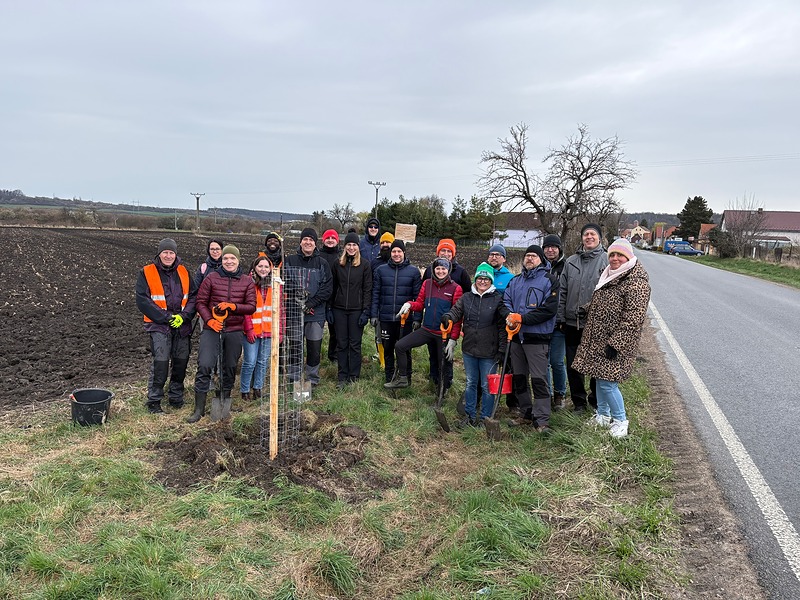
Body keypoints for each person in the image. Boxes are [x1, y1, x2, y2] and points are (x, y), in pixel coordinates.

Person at [571, 238, 650, 438]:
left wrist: (616, 344)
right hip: (598, 339)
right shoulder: (609, 276)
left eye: (620, 255)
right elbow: (604, 304)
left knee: (608, 383)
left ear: (629, 257)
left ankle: (620, 420)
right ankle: (603, 416)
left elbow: (634, 317)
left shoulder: (636, 282)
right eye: (612, 255)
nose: (615, 258)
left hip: (615, 343)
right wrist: (586, 309)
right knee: (599, 378)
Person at [188, 245, 255, 423]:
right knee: (205, 365)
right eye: (226, 258)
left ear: (238, 260)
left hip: (234, 330)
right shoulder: (211, 278)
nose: (229, 261)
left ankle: (224, 399)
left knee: (230, 367)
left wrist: (233, 307)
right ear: (222, 260)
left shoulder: (246, 281)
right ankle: (199, 409)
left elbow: (251, 306)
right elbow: (200, 302)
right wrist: (209, 320)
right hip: (212, 329)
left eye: (232, 258)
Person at [441, 262, 509, 427]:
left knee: (486, 386)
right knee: (471, 383)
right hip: (469, 349)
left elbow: (502, 327)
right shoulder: (467, 297)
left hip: (489, 351)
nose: (483, 281)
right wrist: (448, 317)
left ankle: (485, 418)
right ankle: (470, 416)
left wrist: (501, 349)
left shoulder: (498, 299)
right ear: (476, 279)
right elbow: (456, 311)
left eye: (486, 279)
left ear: (491, 281)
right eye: (480, 278)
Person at [135, 238, 197, 414]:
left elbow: (193, 296)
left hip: (182, 326)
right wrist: (167, 317)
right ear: (159, 253)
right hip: (159, 326)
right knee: (160, 363)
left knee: (181, 361)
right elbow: (143, 300)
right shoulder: (147, 272)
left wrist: (184, 317)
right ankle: (154, 400)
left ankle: (176, 397)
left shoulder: (184, 271)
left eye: (171, 252)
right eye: (165, 252)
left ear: (175, 254)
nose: (168, 256)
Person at [503, 245, 559, 433]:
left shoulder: (549, 281)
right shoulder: (515, 281)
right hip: (517, 337)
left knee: (538, 380)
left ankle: (541, 419)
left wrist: (523, 319)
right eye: (527, 256)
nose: (529, 259)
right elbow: (506, 301)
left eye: (534, 256)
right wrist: (510, 316)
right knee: (519, 378)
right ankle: (525, 413)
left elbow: (549, 310)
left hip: (537, 337)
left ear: (541, 260)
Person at [385, 258, 462, 389]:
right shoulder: (427, 284)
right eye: (438, 268)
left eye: (443, 269)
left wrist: (453, 338)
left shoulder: (456, 288)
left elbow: (458, 316)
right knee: (400, 346)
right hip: (426, 330)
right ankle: (403, 378)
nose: (440, 271)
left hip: (442, 334)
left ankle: (443, 389)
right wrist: (409, 304)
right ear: (433, 270)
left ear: (448, 270)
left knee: (443, 363)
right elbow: (420, 304)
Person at [557, 223, 609, 413]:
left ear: (599, 238)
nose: (589, 237)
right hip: (571, 323)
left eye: (592, 234)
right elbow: (563, 291)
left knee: (595, 364)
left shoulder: (606, 261)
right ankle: (579, 402)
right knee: (573, 365)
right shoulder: (571, 262)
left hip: (596, 324)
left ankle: (595, 401)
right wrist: (561, 317)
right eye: (586, 234)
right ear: (581, 238)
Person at [284, 228, 333, 387]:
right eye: (305, 239)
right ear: (300, 242)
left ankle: (312, 378)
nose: (308, 242)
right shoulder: (289, 260)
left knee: (314, 347)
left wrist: (311, 303)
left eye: (311, 240)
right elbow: (284, 281)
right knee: (295, 346)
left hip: (315, 313)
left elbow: (327, 288)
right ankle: (294, 377)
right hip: (294, 312)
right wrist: (297, 295)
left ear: (315, 243)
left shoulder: (322, 263)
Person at [371, 239, 421, 383]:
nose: (396, 254)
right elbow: (376, 294)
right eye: (394, 251)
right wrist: (374, 314)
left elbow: (417, 297)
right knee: (388, 349)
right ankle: (389, 376)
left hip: (405, 319)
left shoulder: (413, 272)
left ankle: (406, 376)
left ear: (404, 253)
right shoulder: (381, 271)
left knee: (405, 349)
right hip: (386, 318)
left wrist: (417, 318)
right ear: (390, 253)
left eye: (399, 251)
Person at [331, 232, 372, 388]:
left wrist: (365, 311)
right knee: (341, 344)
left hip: (356, 310)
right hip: (339, 309)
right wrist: (330, 307)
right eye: (349, 244)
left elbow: (367, 289)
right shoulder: (337, 264)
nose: (351, 247)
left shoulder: (365, 265)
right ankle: (342, 376)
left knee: (355, 344)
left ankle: (353, 376)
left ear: (358, 247)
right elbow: (333, 287)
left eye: (354, 245)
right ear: (345, 246)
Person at [240, 255, 276, 401]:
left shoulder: (275, 286)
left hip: (268, 330)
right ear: (254, 268)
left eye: (266, 267)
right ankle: (244, 389)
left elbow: (279, 310)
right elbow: (244, 310)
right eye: (260, 266)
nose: (263, 269)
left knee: (263, 361)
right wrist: (248, 329)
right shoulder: (248, 284)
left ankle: (258, 387)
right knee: (250, 361)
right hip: (252, 331)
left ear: (270, 269)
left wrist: (278, 332)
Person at [542, 234, 567, 410]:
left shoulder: (567, 267)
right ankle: (547, 394)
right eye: (547, 247)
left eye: (554, 247)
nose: (550, 250)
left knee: (557, 361)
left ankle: (560, 394)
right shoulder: (539, 267)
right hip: (541, 323)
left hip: (559, 323)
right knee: (544, 362)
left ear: (559, 249)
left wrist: (563, 318)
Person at [320, 229, 341, 362]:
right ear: (323, 240)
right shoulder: (318, 255)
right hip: (320, 296)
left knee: (335, 329)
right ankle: (315, 354)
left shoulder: (341, 256)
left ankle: (333, 355)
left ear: (337, 241)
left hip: (335, 297)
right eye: (328, 238)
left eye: (333, 238)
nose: (330, 240)